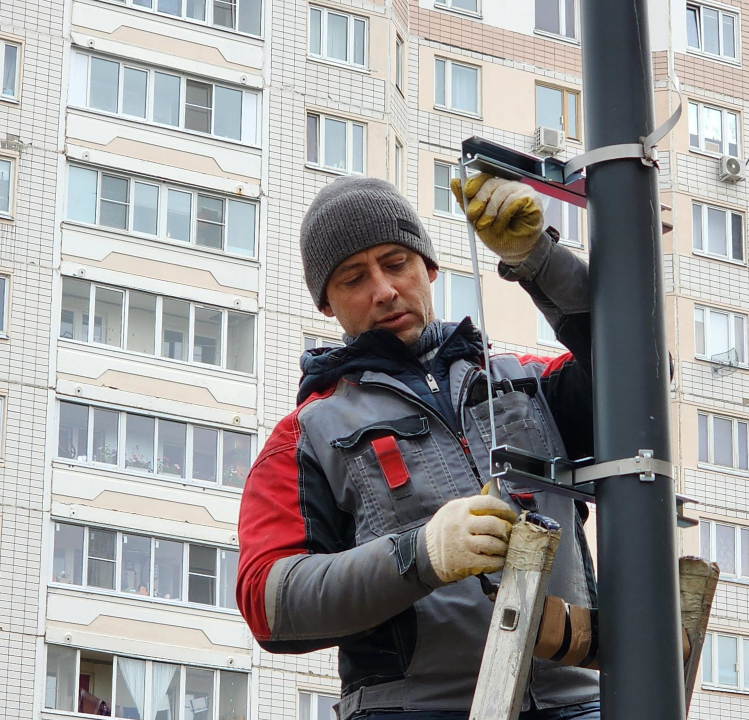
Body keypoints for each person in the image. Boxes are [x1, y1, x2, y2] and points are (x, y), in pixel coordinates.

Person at [236, 173, 600, 720]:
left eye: (396, 262)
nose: (383, 290)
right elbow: (271, 601)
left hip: (577, 703)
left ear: (429, 268)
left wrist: (541, 261)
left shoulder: (528, 385)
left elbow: (639, 375)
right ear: (326, 305)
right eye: (353, 277)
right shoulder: (305, 436)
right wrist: (421, 553)